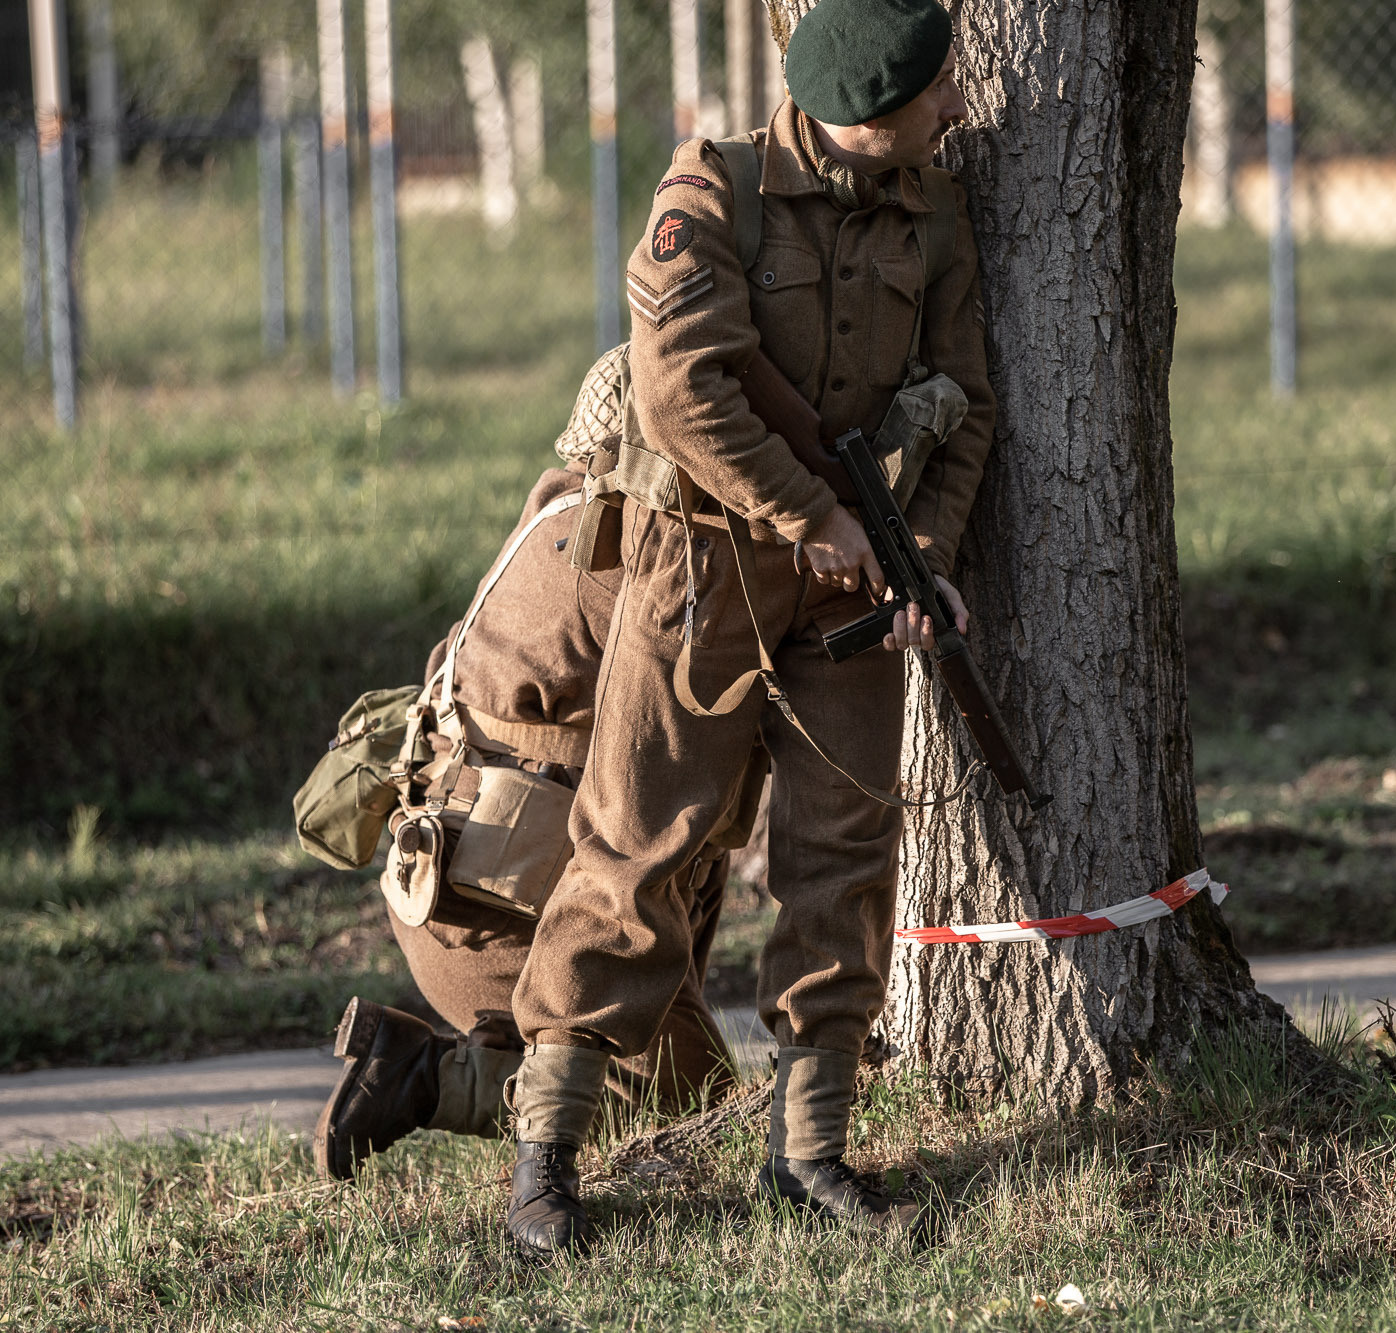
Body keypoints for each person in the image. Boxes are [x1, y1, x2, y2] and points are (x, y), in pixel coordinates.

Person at [502, 0, 993, 1257]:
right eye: (934, 98)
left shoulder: (932, 209)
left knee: (844, 853)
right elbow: (677, 390)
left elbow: (970, 402)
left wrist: (914, 554)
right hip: (701, 569)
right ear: (872, 116)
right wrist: (805, 513)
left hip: (852, 595)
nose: (953, 112)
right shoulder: (709, 192)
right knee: (638, 842)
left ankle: (810, 1150)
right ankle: (544, 1160)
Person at [313, 463, 764, 1181]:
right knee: (691, 1099)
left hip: (458, 886)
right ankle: (434, 1079)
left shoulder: (552, 513)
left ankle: (484, 1063)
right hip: (510, 914)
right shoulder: (637, 551)